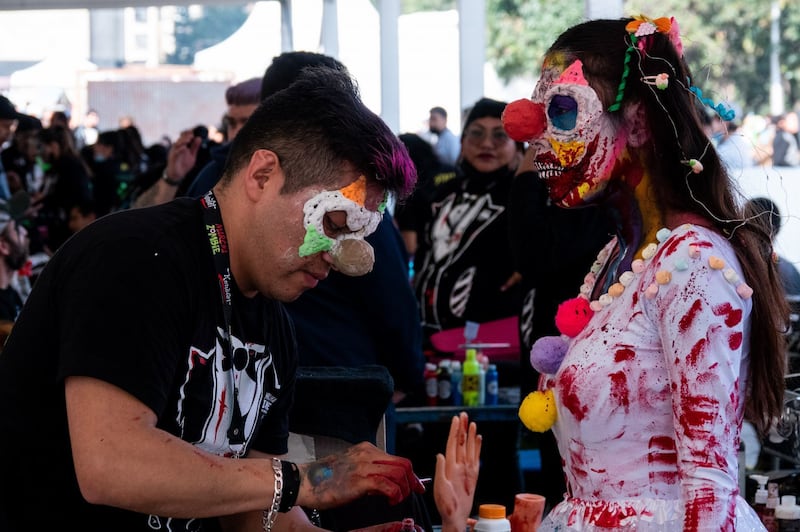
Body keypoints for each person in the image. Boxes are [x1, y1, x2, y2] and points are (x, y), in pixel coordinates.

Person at [0, 67, 425, 530]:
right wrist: (305, 479)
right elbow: (110, 464)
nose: (341, 258)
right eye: (333, 224)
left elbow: (253, 514)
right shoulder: (136, 257)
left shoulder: (273, 323)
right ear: (262, 176)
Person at [502, 15, 788, 529]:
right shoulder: (621, 255)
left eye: (562, 113)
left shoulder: (695, 263)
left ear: (636, 122)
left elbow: (710, 485)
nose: (535, 138)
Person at [414, 97, 524, 345]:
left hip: (491, 343)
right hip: (426, 334)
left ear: (518, 148)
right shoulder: (444, 193)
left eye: (499, 136)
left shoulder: (524, 198)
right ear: (462, 143)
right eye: (476, 134)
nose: (486, 144)